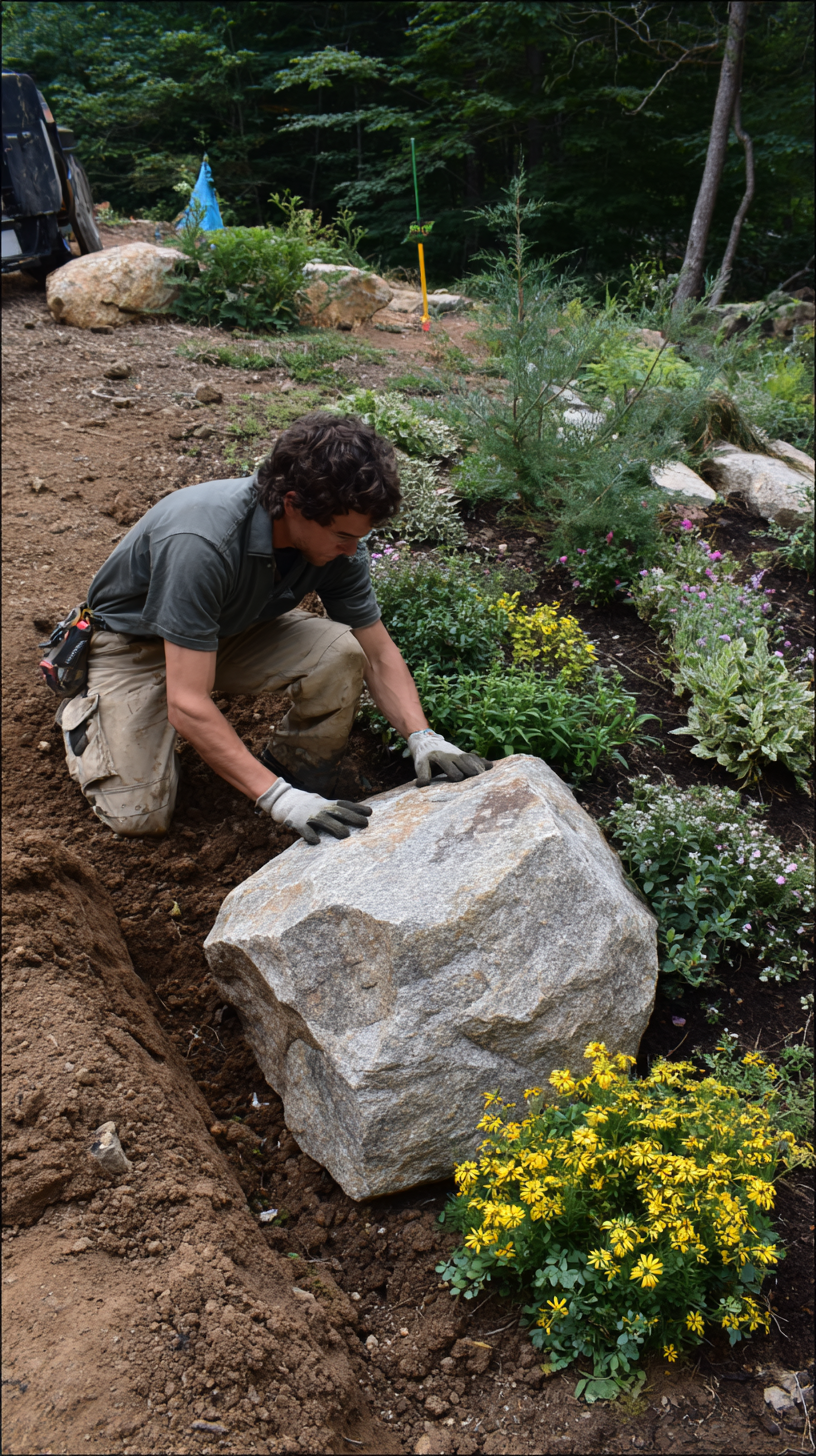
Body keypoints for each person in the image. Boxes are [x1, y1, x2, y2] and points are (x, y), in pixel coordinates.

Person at [54, 411, 491, 843]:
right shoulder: (202, 543)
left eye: (360, 536)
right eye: (343, 536)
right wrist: (280, 801)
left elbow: (377, 653)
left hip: (228, 630)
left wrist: (423, 736)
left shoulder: (339, 542)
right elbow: (186, 701)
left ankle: (296, 770)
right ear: (293, 504)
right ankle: (89, 707)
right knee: (141, 816)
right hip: (133, 643)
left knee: (341, 652)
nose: (354, 550)